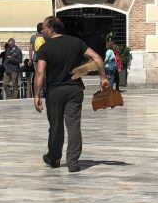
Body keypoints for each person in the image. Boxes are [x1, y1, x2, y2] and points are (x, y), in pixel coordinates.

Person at [33, 16, 109, 173]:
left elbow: (40, 72)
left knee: (56, 125)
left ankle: (53, 158)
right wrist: (103, 77)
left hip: (55, 91)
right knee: (73, 125)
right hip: (75, 90)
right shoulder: (76, 42)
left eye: (44, 28)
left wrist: (36, 95)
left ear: (52, 29)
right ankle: (73, 162)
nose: (42, 31)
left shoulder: (45, 48)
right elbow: (97, 58)